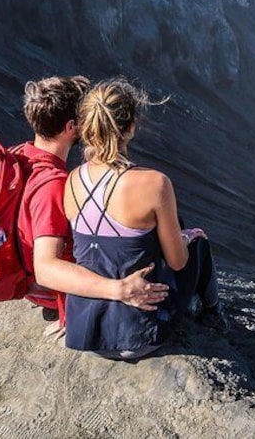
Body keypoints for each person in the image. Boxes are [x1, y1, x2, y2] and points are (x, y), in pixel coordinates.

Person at [62, 78, 230, 360]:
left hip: (88, 334)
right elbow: (178, 262)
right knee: (195, 241)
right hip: (139, 335)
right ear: (130, 128)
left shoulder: (71, 181)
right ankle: (214, 314)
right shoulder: (155, 183)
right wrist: (186, 237)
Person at [17, 76, 169, 332]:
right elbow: (46, 269)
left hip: (29, 280)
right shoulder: (54, 185)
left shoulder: (21, 157)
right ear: (71, 127)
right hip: (58, 292)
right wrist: (118, 290)